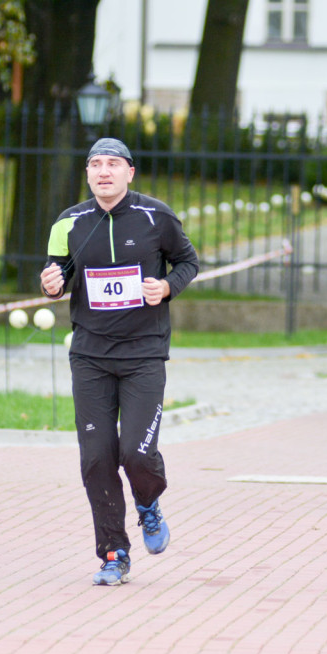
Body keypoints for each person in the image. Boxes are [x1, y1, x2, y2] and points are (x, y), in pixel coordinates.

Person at [40, 137, 199, 586]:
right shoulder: (68, 222)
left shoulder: (156, 216)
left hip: (143, 353)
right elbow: (58, 275)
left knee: (136, 452)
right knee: (96, 458)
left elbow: (188, 262)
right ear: (87, 174)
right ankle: (113, 552)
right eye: (95, 164)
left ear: (130, 172)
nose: (103, 171)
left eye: (113, 164)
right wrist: (50, 283)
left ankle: (148, 503)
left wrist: (166, 288)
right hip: (90, 355)